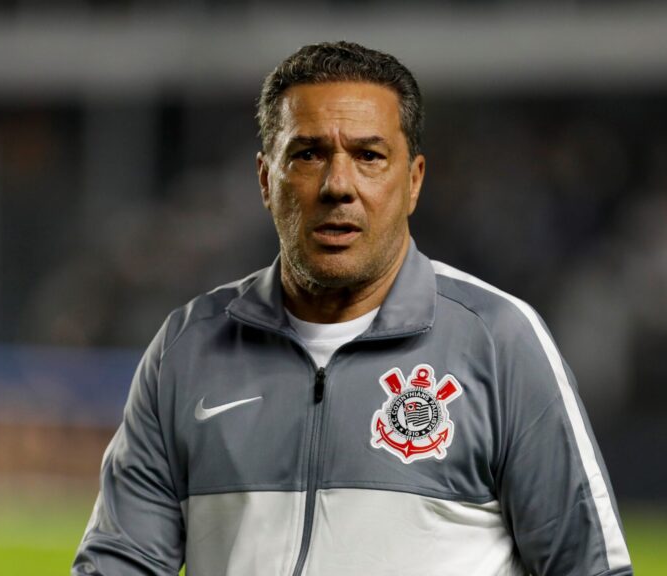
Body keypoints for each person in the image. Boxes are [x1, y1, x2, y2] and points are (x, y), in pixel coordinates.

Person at [73, 41, 632, 576]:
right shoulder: (187, 349)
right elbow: (121, 564)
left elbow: (588, 566)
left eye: (368, 156)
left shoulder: (499, 341)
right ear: (266, 180)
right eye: (308, 154)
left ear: (413, 182)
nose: (338, 185)